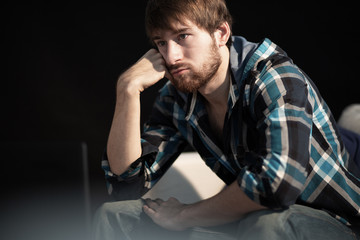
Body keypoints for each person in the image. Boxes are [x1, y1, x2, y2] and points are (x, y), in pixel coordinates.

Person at [93, 0, 360, 239]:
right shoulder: (175, 98)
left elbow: (276, 185)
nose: (170, 56)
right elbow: (126, 185)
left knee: (269, 224)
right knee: (116, 215)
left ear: (220, 33)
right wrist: (127, 90)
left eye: (182, 36)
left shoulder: (273, 77)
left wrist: (184, 215)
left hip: (337, 223)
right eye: (161, 42)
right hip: (249, 219)